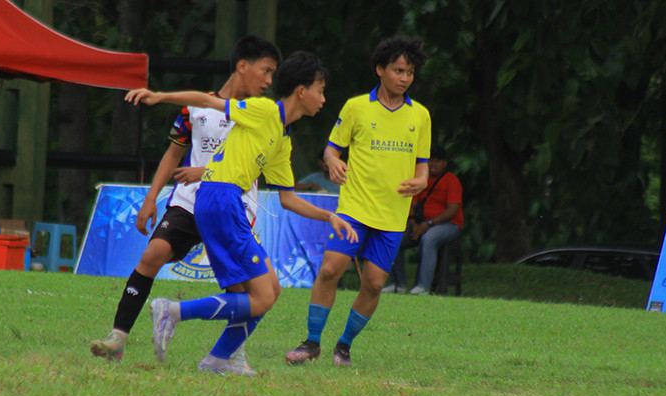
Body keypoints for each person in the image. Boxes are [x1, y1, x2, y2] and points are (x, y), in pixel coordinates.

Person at [126, 51, 358, 375]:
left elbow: (288, 199)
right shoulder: (264, 110)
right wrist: (160, 96)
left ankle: (218, 359)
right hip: (221, 199)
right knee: (261, 297)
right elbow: (207, 102)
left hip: (224, 202)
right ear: (302, 91)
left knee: (271, 290)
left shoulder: (282, 136)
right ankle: (173, 311)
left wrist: (329, 216)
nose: (323, 98)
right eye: (320, 90)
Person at [91, 36, 282, 370]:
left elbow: (258, 164)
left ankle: (232, 353)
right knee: (153, 254)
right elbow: (174, 152)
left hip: (231, 208)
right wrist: (151, 199)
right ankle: (117, 339)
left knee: (246, 290)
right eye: (265, 71)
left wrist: (208, 170)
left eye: (273, 74)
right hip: (190, 204)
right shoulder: (196, 108)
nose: (269, 81)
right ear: (242, 66)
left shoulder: (261, 115)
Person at [285, 36, 431, 367]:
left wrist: (421, 181)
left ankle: (344, 347)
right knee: (330, 269)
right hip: (354, 209)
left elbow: (422, 166)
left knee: (375, 284)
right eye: (398, 70)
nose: (405, 78)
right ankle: (311, 343)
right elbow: (331, 149)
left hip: (392, 216)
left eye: (409, 72)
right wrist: (334, 161)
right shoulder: (356, 108)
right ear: (380, 70)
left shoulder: (420, 116)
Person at [386, 145, 463, 295]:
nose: (433, 164)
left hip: (448, 225)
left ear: (444, 163)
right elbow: (412, 203)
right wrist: (414, 223)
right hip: (420, 223)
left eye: (437, 161)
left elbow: (452, 210)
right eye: (430, 161)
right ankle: (398, 284)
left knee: (429, 239)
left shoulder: (451, 180)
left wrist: (428, 224)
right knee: (394, 237)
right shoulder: (421, 179)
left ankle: (423, 286)